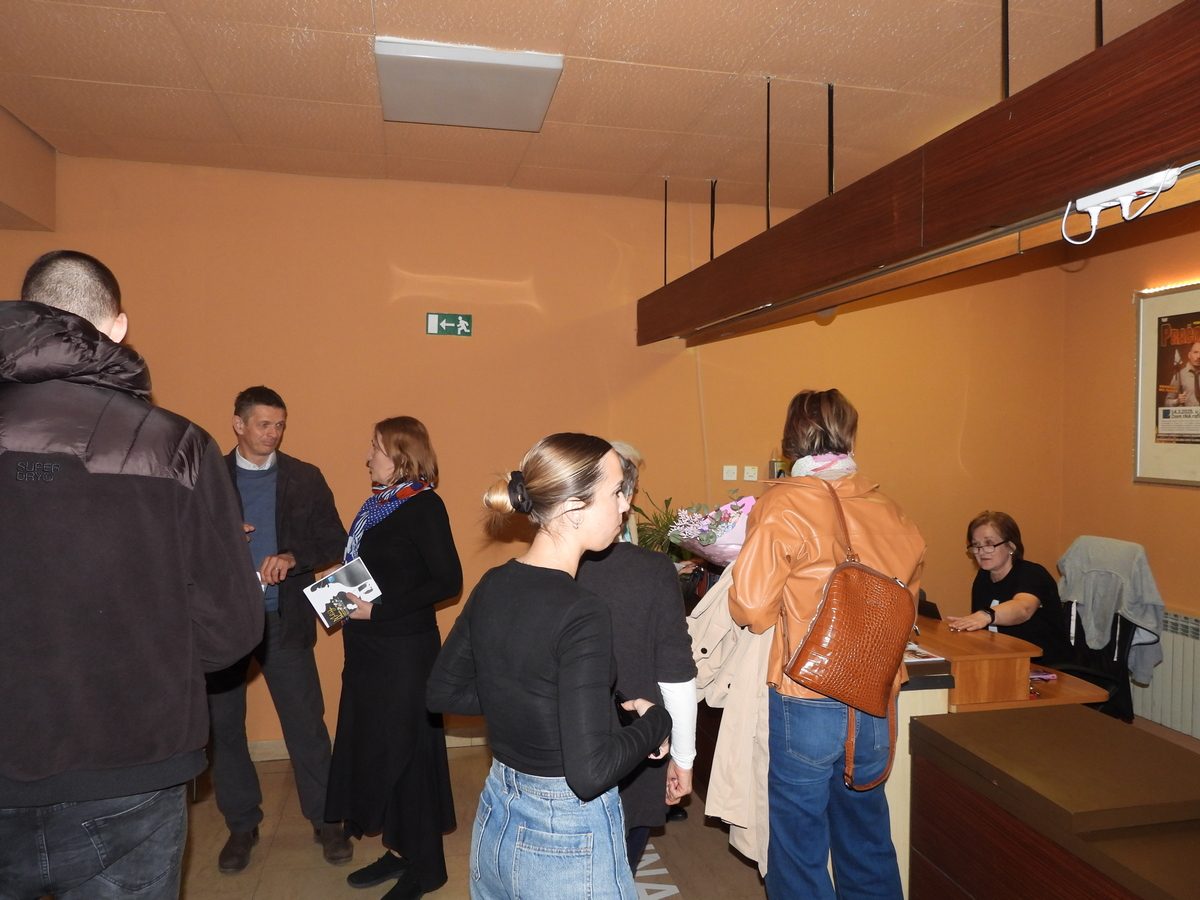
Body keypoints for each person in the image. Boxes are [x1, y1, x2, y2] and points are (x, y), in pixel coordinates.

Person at [0, 250, 263, 897]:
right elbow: (232, 628)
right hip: (131, 761)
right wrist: (157, 656)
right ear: (117, 327)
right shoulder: (174, 446)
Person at [426, 433, 673, 899]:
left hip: (499, 810)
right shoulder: (582, 611)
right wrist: (657, 721)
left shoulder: (494, 583)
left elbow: (445, 690)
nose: (625, 505)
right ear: (575, 508)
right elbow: (590, 772)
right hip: (565, 833)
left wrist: (546, 702)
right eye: (617, 492)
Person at [729, 389, 925, 899]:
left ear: (791, 440)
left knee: (799, 846)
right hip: (874, 697)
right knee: (867, 835)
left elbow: (751, 609)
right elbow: (905, 609)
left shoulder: (784, 504)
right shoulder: (891, 510)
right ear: (850, 435)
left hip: (807, 694)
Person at [207, 386, 351, 872]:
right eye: (264, 424)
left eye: (280, 424)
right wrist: (221, 540)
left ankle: (326, 821)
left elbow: (335, 539)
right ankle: (241, 825)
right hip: (224, 622)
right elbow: (181, 542)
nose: (273, 433)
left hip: (284, 620)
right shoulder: (207, 479)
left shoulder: (305, 477)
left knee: (306, 723)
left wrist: (292, 557)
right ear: (238, 424)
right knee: (225, 727)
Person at [326, 416, 462, 900]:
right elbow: (375, 570)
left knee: (407, 754)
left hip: (404, 651)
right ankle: (401, 849)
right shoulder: (379, 505)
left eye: (375, 448)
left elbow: (448, 581)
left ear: (402, 454)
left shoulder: (424, 505)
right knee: (379, 749)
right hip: (368, 649)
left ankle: (428, 868)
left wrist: (378, 610)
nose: (367, 456)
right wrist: (338, 599)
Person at [576, 442, 697, 874]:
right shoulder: (651, 570)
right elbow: (675, 675)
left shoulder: (529, 573)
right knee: (618, 867)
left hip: (556, 759)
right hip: (633, 746)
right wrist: (683, 757)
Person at [945, 511, 1070, 664]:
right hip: (1003, 661)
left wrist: (986, 615)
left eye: (989, 544)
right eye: (976, 545)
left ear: (1011, 546)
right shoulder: (983, 577)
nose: (981, 552)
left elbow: (1023, 608)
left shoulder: (1032, 574)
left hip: (1046, 667)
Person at [1166, 341, 1200, 406]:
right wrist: (1177, 401)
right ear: (1189, 355)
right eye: (1195, 352)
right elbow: (1167, 402)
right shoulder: (1179, 375)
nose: (1199, 356)